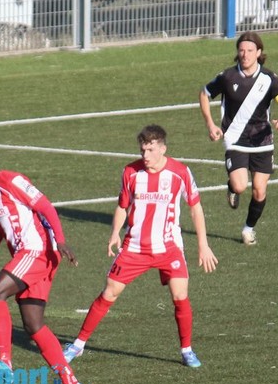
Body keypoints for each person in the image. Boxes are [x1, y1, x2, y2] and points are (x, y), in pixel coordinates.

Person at [62, 125, 218, 368]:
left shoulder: (180, 172)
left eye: (150, 150)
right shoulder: (131, 172)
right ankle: (78, 345)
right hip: (134, 248)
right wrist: (115, 232)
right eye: (142, 150)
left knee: (180, 295)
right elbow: (122, 206)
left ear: (163, 149)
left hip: (169, 247)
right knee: (109, 292)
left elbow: (195, 208)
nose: (145, 155)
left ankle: (186, 350)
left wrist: (203, 245)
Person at [0, 141, 86, 384]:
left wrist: (61, 239)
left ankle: (5, 362)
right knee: (33, 325)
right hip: (30, 255)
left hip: (37, 251)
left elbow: (46, 207)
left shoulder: (11, 180)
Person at [199, 31, 278, 247]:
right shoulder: (227, 77)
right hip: (235, 139)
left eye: (250, 50)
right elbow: (204, 94)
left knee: (259, 190)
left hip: (262, 142)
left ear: (259, 52)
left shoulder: (270, 79)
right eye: (241, 50)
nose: (245, 54)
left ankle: (248, 229)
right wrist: (210, 124)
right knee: (241, 186)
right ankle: (232, 188)